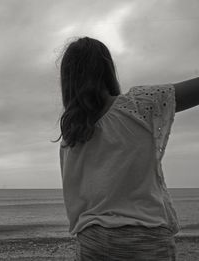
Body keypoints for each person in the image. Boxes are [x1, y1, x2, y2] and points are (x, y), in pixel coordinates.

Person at [55, 36, 199, 260]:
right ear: (106, 69)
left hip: (91, 242)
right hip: (144, 240)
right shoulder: (138, 105)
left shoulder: (70, 137)